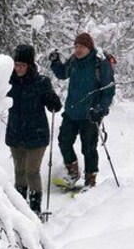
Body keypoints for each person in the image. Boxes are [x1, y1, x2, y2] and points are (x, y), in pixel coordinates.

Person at [48, 32, 115, 188]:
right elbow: (63, 74)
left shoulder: (100, 64)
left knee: (89, 148)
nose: (78, 50)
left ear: (89, 48)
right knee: (64, 142)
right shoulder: (73, 61)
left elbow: (109, 90)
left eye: (82, 47)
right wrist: (56, 62)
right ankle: (73, 172)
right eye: (76, 46)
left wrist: (100, 109)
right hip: (72, 111)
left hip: (90, 114)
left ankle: (90, 180)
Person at [5, 44, 62, 216]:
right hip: (15, 134)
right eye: (16, 64)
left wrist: (52, 99)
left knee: (32, 171)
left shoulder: (41, 83)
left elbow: (55, 106)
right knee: (19, 171)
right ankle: (20, 207)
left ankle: (35, 209)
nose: (18, 68)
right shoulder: (8, 82)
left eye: (22, 65)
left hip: (36, 135)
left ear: (29, 65)